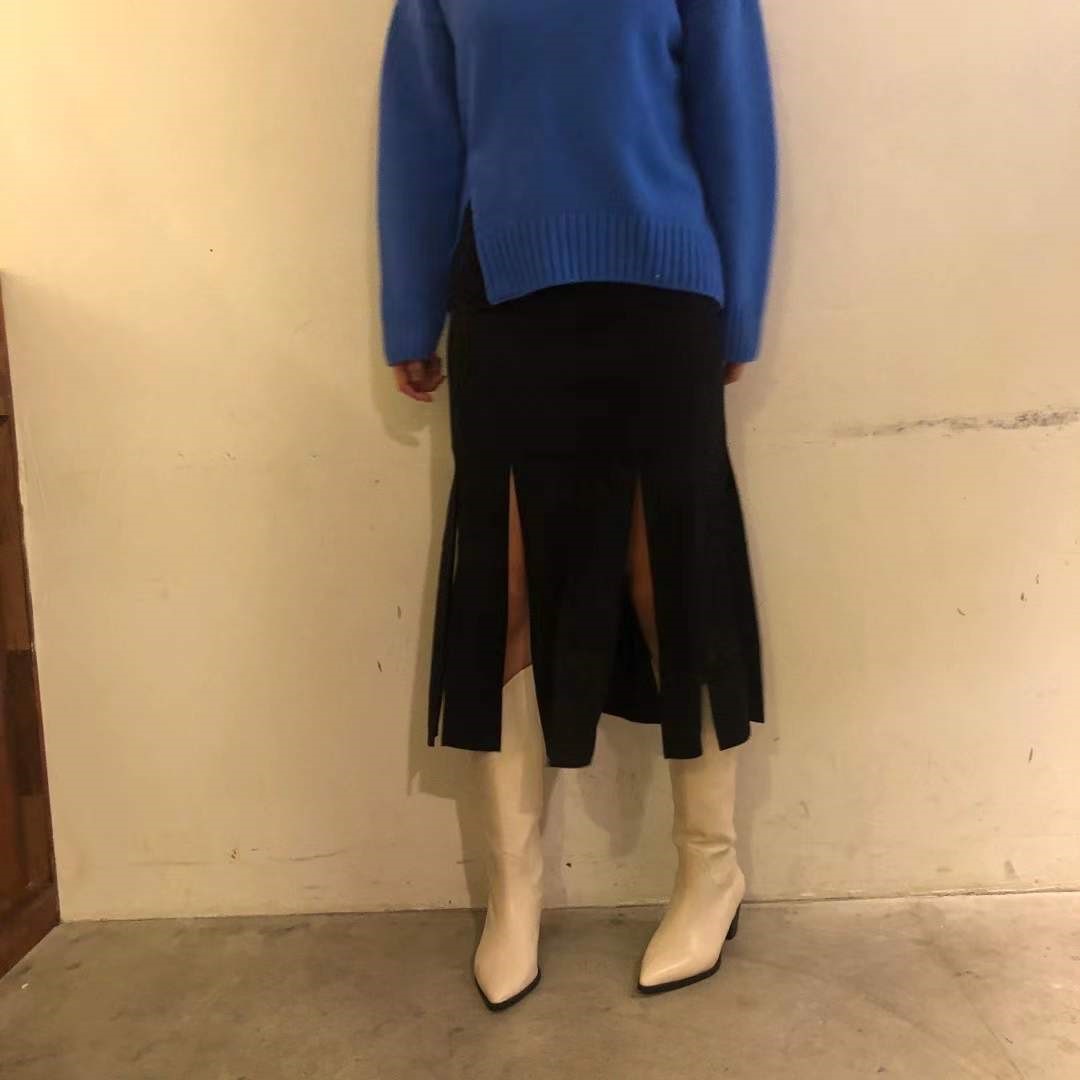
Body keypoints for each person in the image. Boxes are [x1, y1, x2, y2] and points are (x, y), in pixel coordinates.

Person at [377, 0, 778, 1009]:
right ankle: (513, 893)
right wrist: (409, 308)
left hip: (663, 291)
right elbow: (422, 130)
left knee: (668, 579)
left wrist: (740, 308)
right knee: (506, 582)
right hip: (506, 298)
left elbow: (733, 117)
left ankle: (712, 868)